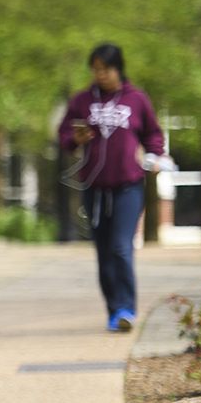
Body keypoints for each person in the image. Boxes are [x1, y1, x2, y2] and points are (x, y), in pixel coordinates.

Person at [58, 43, 168, 332]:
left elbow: (153, 134)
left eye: (104, 69)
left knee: (121, 247)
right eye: (94, 69)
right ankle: (113, 309)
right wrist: (75, 139)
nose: (100, 74)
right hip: (94, 187)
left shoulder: (136, 99)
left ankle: (127, 308)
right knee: (103, 251)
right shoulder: (82, 100)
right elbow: (64, 135)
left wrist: (156, 155)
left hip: (128, 185)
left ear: (118, 68)